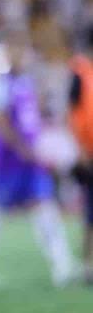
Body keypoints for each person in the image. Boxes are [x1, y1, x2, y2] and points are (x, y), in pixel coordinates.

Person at [0, 27, 74, 291]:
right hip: (7, 160)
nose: (20, 55)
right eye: (15, 49)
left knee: (45, 208)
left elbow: (32, 118)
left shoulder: (25, 82)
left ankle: (62, 266)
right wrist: (23, 148)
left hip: (30, 159)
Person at [69, 24, 93, 284]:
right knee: (91, 212)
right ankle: (88, 265)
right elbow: (73, 114)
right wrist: (79, 150)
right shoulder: (80, 73)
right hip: (89, 152)